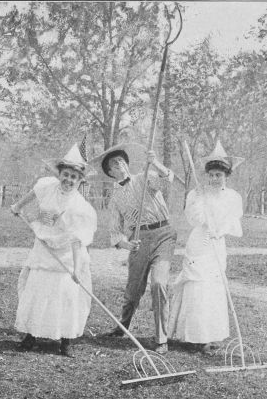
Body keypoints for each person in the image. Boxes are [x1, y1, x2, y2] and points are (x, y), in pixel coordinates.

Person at [10, 143, 97, 357]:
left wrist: (76, 269)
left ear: (79, 180)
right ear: (60, 174)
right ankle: (30, 336)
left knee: (64, 293)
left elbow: (77, 241)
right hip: (44, 245)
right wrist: (18, 206)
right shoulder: (47, 186)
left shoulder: (80, 207)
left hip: (67, 254)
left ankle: (65, 341)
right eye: (66, 175)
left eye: (73, 177)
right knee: (37, 288)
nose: (68, 180)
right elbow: (32, 194)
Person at [91, 143, 176, 354]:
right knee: (133, 288)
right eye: (114, 164)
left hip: (164, 234)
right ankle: (123, 326)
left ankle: (161, 339)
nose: (119, 165)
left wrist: (154, 161)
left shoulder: (144, 177)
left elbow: (167, 180)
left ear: (127, 164)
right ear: (110, 172)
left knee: (158, 283)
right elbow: (114, 233)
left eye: (121, 161)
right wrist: (127, 244)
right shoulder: (115, 198)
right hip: (139, 240)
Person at [168, 141, 244, 355]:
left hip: (217, 245)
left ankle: (211, 335)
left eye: (218, 174)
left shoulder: (233, 197)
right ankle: (194, 337)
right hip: (199, 244)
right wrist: (199, 203)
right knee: (197, 287)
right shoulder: (197, 194)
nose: (214, 178)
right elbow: (193, 219)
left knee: (213, 289)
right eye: (211, 174)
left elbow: (234, 223)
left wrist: (220, 231)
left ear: (226, 175)